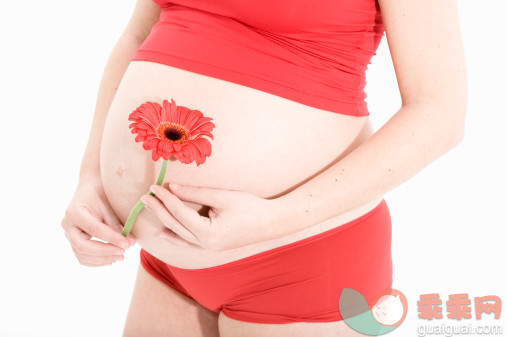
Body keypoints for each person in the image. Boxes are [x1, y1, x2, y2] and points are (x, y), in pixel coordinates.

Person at [61, 0, 467, 336]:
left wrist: (275, 218)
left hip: (299, 261)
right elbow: (138, 34)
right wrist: (92, 176)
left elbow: (439, 114)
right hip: (168, 265)